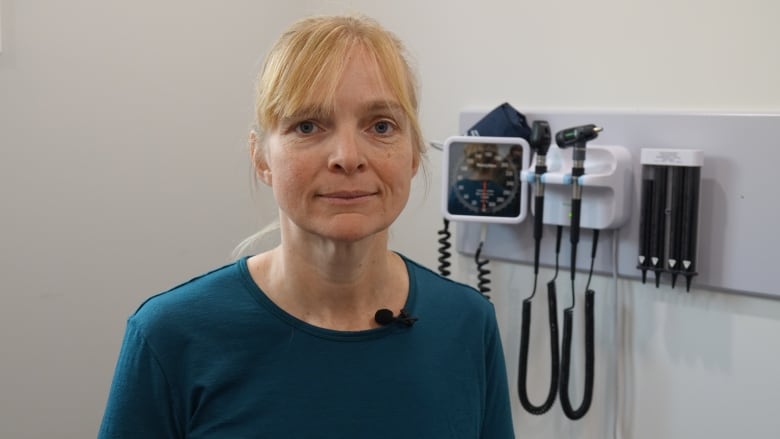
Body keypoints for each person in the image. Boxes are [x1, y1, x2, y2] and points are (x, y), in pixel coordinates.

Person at [99, 14, 515, 438]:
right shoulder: (171, 336)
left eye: (381, 126)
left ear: (413, 154)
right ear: (261, 157)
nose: (348, 156)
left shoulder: (467, 324)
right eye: (308, 126)